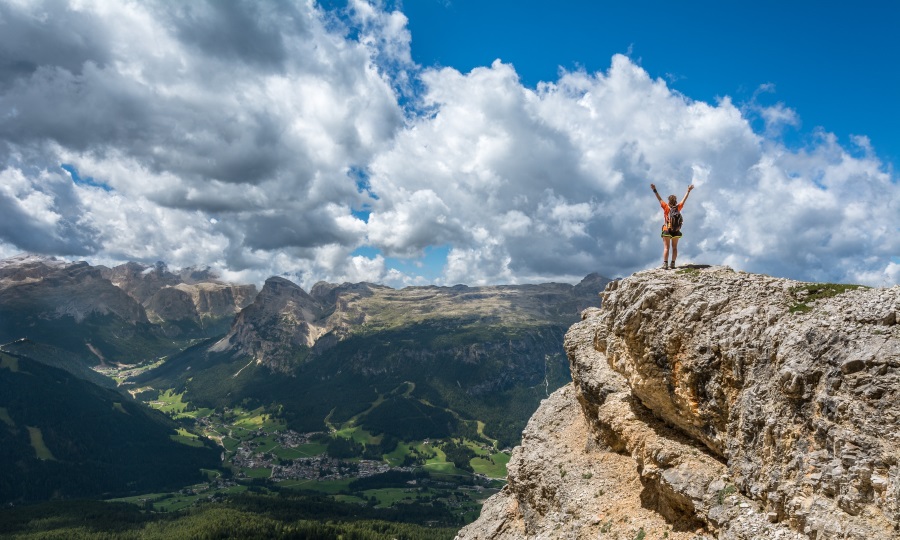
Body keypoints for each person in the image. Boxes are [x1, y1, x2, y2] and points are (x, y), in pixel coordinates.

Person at [650, 183, 694, 269]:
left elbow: (659, 199)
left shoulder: (666, 207)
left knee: (666, 248)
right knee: (675, 248)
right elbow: (684, 200)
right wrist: (688, 191)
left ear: (669, 201)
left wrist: (654, 190)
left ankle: (665, 264)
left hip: (667, 229)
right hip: (676, 231)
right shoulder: (678, 207)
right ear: (675, 201)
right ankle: (673, 263)